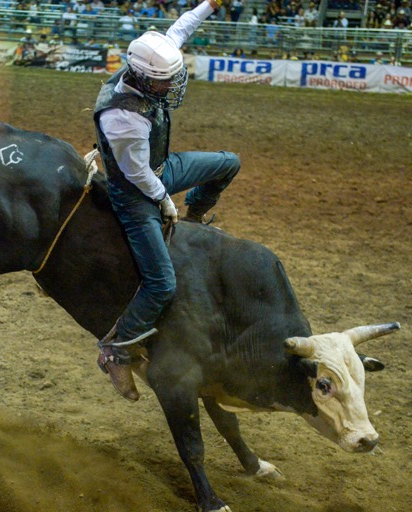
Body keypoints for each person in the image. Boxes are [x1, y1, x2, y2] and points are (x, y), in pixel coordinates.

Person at [93, 0, 240, 401]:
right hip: (135, 194)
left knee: (228, 163)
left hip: (161, 168)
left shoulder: (149, 64)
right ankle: (116, 349)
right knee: (161, 284)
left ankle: (195, 216)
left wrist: (209, 5)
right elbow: (137, 174)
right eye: (163, 83)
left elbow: (180, 29)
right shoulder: (123, 117)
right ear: (142, 79)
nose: (171, 87)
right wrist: (165, 202)